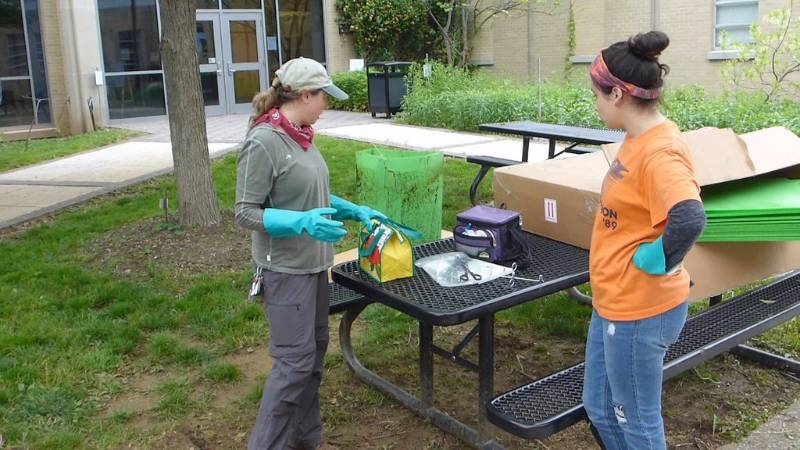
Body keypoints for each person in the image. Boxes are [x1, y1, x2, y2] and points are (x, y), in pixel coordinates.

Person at [235, 57, 387, 450]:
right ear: (304, 95)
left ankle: (304, 441)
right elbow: (245, 212)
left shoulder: (300, 134)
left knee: (312, 360)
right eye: (324, 97)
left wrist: (353, 209)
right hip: (285, 271)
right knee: (293, 366)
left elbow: (309, 193)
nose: (327, 105)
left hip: (315, 267)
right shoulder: (265, 141)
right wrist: (301, 223)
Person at [582, 31, 707, 449]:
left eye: (597, 95)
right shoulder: (637, 139)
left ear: (617, 94)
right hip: (614, 301)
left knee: (637, 422)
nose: (595, 104)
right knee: (598, 407)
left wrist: (659, 259)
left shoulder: (659, 151)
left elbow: (688, 216)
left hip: (639, 310)